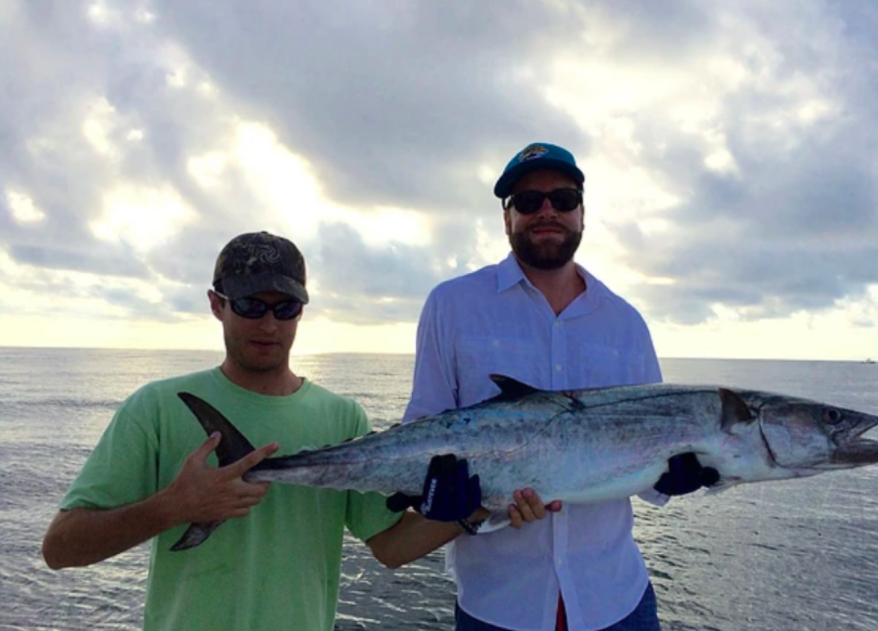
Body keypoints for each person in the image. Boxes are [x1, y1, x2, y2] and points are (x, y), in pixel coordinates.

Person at [41, 231, 501, 631]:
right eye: (249, 305)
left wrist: (481, 508)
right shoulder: (155, 407)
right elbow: (61, 548)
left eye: (285, 308)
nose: (268, 324)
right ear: (216, 304)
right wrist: (174, 506)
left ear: (302, 310)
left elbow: (390, 546)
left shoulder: (343, 418)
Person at [403, 143, 718, 631]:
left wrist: (679, 473)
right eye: (528, 201)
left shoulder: (625, 322)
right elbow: (422, 434)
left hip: (617, 600)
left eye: (563, 199)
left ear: (582, 213)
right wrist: (446, 495)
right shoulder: (452, 305)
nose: (546, 210)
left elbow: (655, 453)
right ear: (506, 218)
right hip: (498, 604)